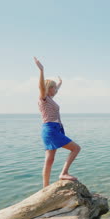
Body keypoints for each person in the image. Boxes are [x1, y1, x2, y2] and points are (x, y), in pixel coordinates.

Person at [34, 56, 81, 187]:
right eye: (54, 88)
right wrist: (41, 70)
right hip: (50, 129)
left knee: (49, 160)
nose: (56, 90)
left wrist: (60, 83)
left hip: (54, 129)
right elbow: (41, 87)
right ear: (48, 88)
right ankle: (63, 173)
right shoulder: (43, 98)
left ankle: (45, 187)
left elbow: (56, 89)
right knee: (76, 148)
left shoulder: (50, 98)